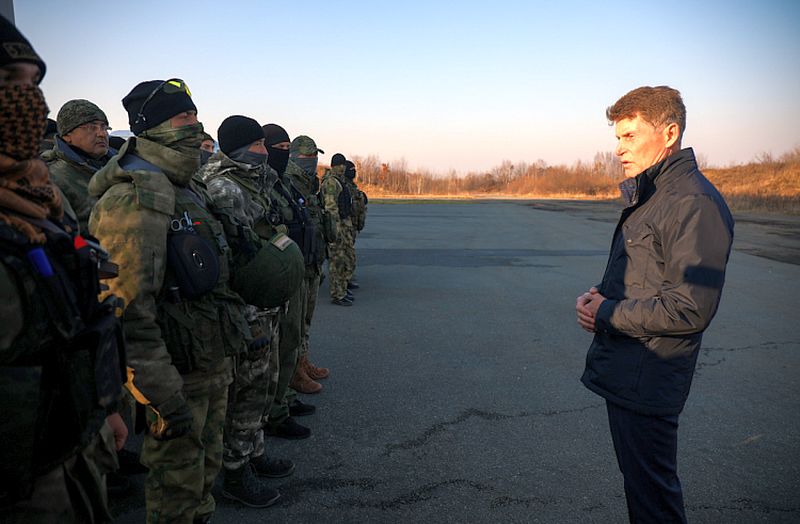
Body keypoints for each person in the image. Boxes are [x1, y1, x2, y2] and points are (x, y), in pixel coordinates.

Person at [89, 78, 251, 523]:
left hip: (209, 363)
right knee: (176, 489)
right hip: (176, 377)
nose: (194, 125)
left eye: (195, 116)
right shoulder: (136, 197)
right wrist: (161, 395)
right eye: (183, 117)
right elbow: (124, 310)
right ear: (154, 127)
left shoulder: (186, 188)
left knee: (203, 476)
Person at [576, 86, 734, 523]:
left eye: (629, 136)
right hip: (628, 367)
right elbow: (646, 275)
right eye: (617, 138)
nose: (619, 148)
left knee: (654, 503)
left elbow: (689, 307)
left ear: (669, 132)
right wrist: (599, 297)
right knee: (643, 492)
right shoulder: (655, 194)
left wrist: (606, 313)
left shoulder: (692, 203)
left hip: (650, 374)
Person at [0, 15, 127, 522]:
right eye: (9, 86)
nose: (32, 103)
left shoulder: (35, 197)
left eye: (33, 86)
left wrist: (102, 409)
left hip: (64, 456)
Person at [197, 115, 305, 507]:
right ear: (239, 147)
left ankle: (253, 451)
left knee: (264, 381)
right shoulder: (224, 187)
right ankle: (235, 470)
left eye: (265, 144)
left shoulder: (257, 180)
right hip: (245, 305)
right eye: (258, 145)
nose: (264, 152)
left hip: (265, 301)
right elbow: (235, 251)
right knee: (246, 388)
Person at [285, 134, 330, 388]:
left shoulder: (311, 184)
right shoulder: (289, 182)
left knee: (306, 320)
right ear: (294, 156)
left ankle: (303, 362)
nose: (312, 161)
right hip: (299, 262)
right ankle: (294, 372)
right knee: (295, 322)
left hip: (313, 260)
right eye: (307, 156)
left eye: (315, 156)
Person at [42, 99, 115, 232]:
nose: (102, 133)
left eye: (104, 127)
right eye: (91, 127)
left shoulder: (121, 166)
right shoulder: (52, 177)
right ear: (67, 135)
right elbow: (63, 237)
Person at [321, 153, 355, 305]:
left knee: (347, 259)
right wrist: (335, 230)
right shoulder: (331, 183)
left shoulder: (341, 182)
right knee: (337, 262)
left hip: (345, 225)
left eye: (343, 165)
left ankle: (342, 288)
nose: (342, 167)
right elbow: (330, 207)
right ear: (333, 165)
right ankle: (337, 294)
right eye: (339, 164)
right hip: (337, 227)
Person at [343, 160, 366, 290]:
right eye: (351, 169)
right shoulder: (343, 185)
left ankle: (347, 278)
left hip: (352, 224)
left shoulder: (351, 186)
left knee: (349, 253)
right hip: (346, 224)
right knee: (344, 255)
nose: (354, 172)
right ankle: (342, 282)